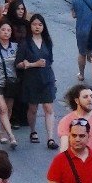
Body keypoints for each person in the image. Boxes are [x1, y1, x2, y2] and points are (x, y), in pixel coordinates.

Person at [17, 13, 57, 148]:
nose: (37, 27)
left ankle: (50, 138)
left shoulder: (48, 42)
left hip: (46, 78)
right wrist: (30, 64)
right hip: (31, 79)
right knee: (33, 108)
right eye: (34, 24)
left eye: (40, 24)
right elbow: (18, 63)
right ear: (30, 26)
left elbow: (50, 60)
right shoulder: (25, 43)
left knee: (48, 107)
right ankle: (33, 130)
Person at [57, 83, 92, 163]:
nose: (90, 99)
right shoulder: (66, 121)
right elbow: (64, 148)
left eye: (91, 96)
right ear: (76, 101)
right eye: (85, 97)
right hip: (77, 165)